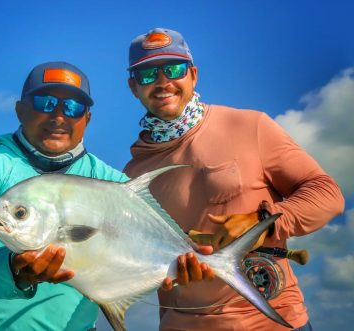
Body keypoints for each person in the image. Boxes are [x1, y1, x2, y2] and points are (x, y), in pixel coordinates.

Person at [123, 28, 345, 331]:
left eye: (173, 69)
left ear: (193, 75)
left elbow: (327, 193)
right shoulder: (132, 175)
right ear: (133, 87)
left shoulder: (250, 126)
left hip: (272, 322)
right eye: (148, 74)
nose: (162, 81)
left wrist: (262, 222)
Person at [0, 61, 131, 331]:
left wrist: (179, 265)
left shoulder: (114, 183)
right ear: (21, 110)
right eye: (46, 102)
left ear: (87, 119)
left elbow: (139, 254)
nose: (59, 116)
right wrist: (13, 268)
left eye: (74, 107)